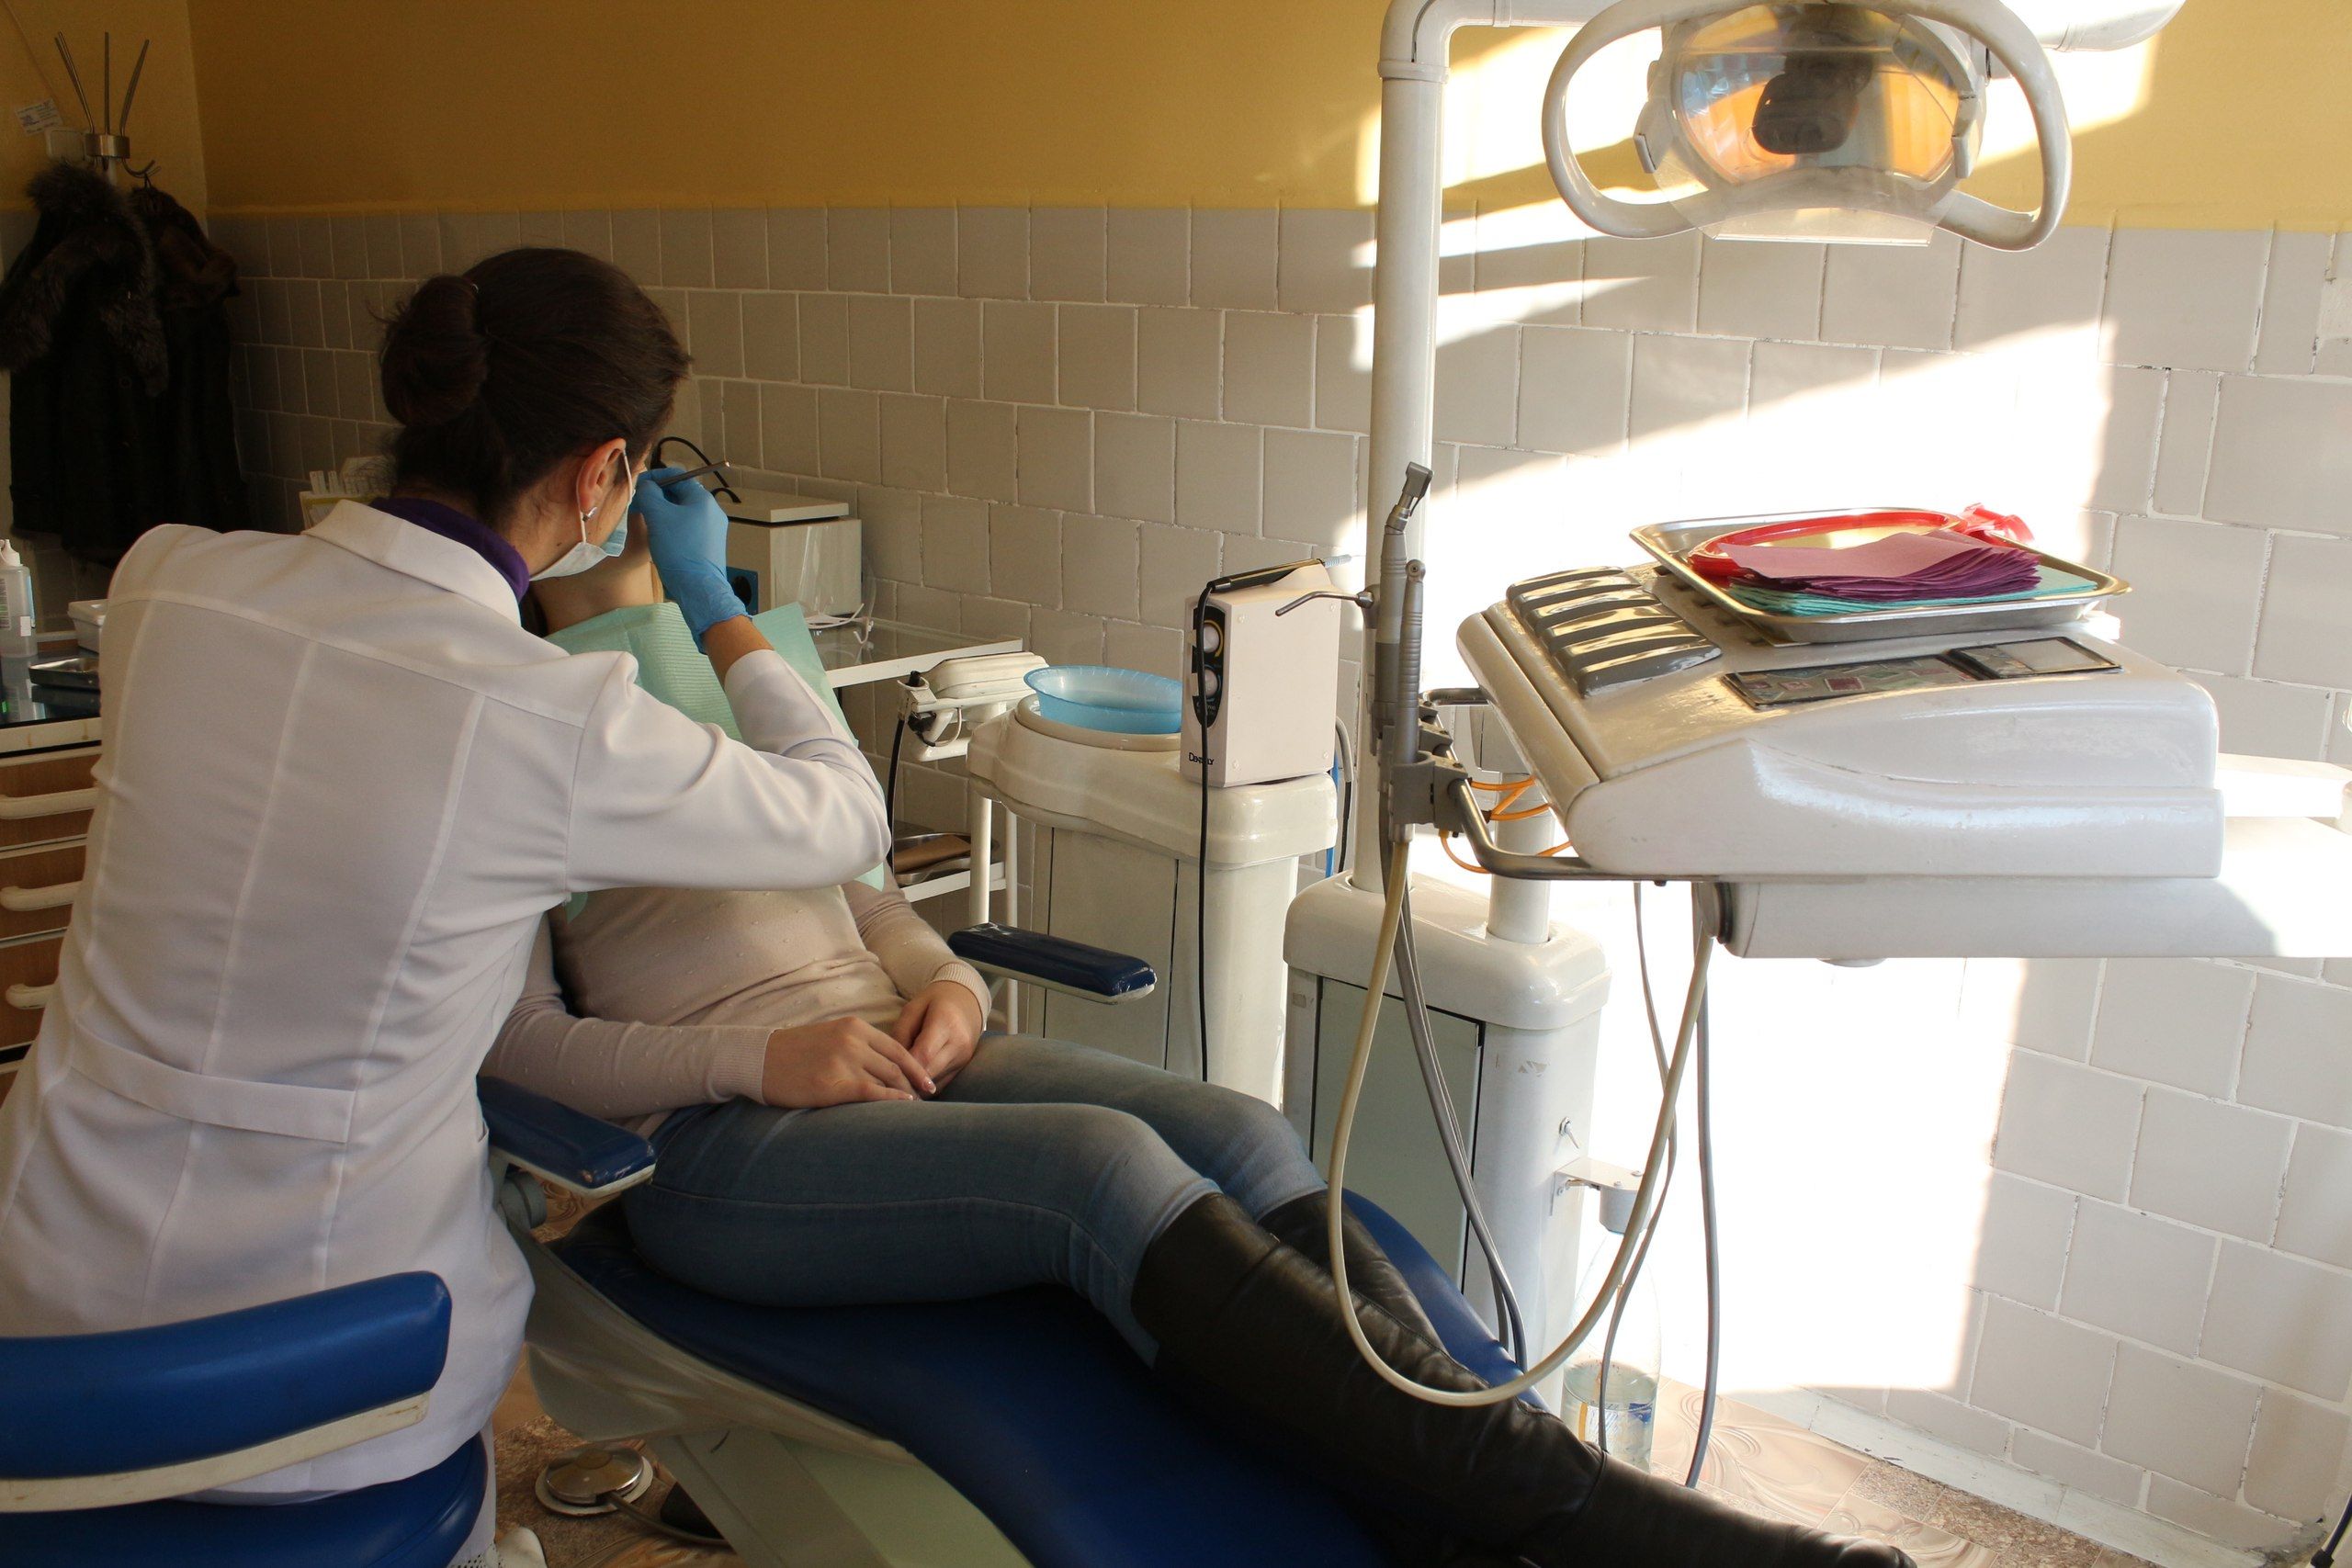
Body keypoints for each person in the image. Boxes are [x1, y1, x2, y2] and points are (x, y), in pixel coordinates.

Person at [492, 533, 1914, 1568]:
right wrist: (757, 1062)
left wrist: (951, 989)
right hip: (726, 1145)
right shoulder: (502, 736)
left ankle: (1457, 1528)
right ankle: (1593, 1522)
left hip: (895, 1051)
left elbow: (865, 898)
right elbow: (519, 1046)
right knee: (1100, 1173)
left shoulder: (733, 683)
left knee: (1237, 1131)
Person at [0, 247, 889, 1562]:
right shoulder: (554, 718)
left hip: (41, 1318)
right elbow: (849, 814)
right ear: (602, 475)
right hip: (331, 1376)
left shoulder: (165, 583)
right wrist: (710, 600)